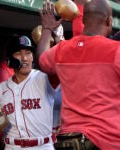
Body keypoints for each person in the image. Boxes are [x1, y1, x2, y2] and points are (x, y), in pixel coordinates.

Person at [36, 0, 120, 149]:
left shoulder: (62, 50)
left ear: (84, 20)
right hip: (106, 141)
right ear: (109, 21)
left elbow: (42, 60)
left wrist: (47, 28)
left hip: (70, 140)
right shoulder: (116, 50)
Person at [0, 35, 56, 150]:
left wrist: (52, 33)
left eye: (28, 53)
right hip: (12, 146)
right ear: (10, 60)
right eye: (18, 53)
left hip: (42, 146)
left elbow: (58, 66)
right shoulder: (1, 89)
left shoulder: (44, 79)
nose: (25, 58)